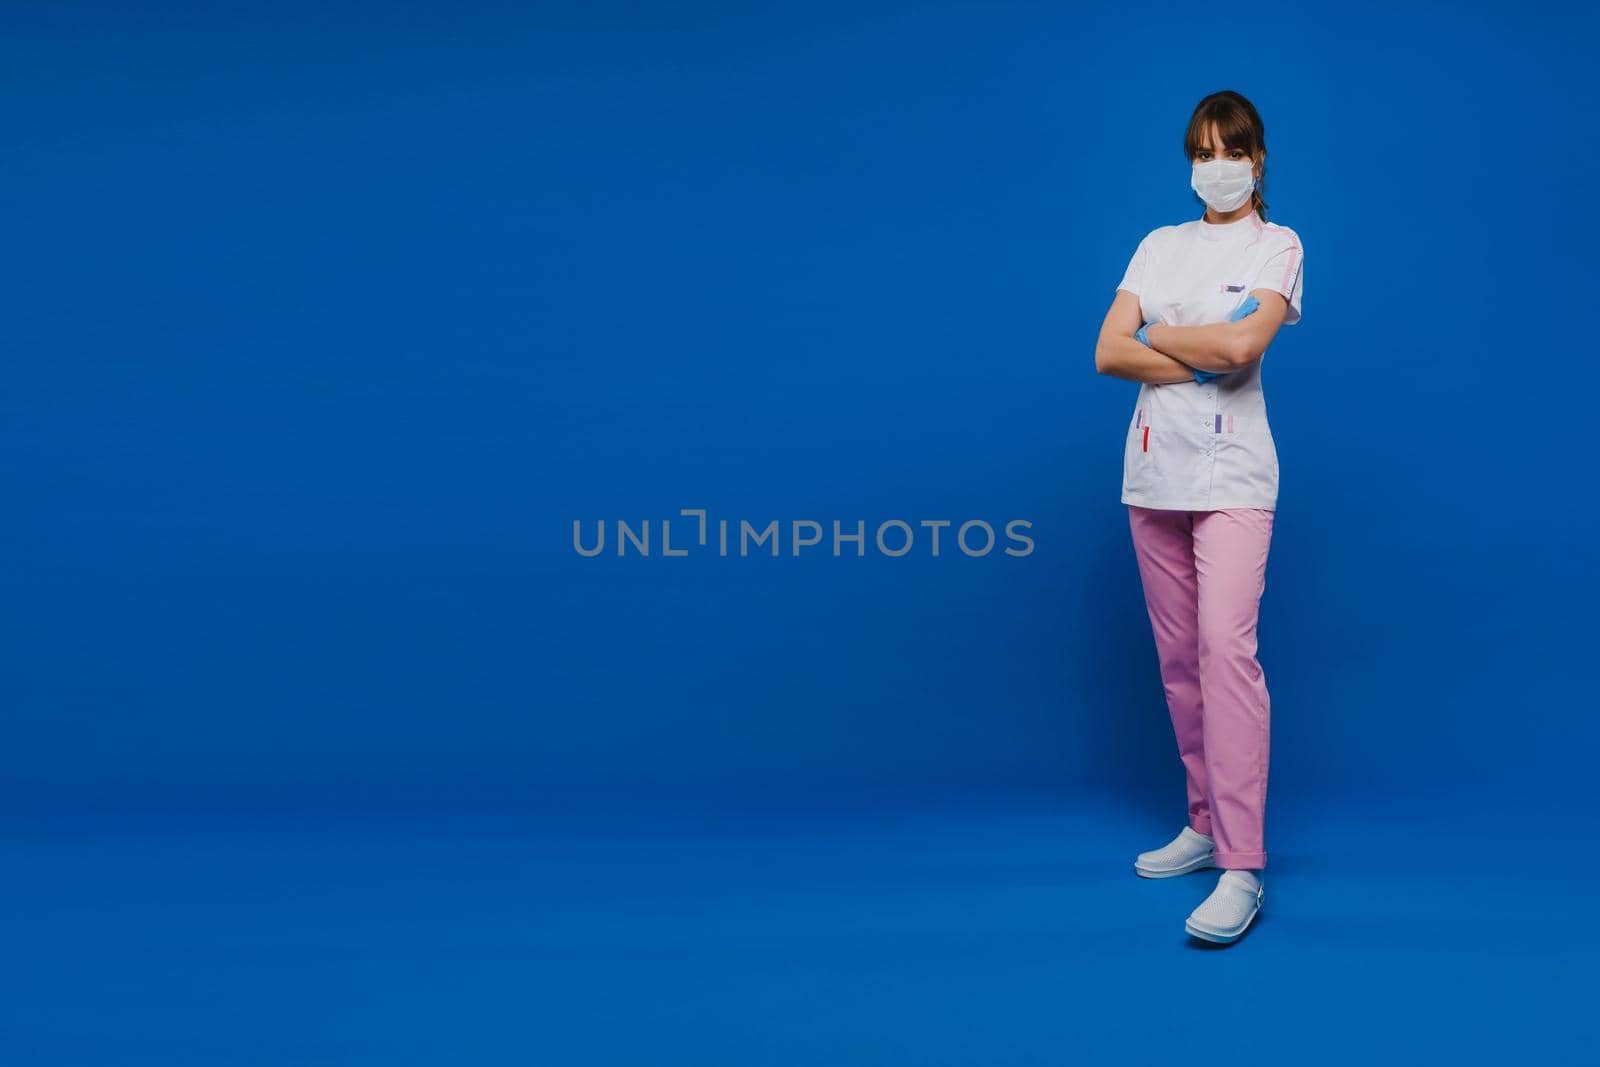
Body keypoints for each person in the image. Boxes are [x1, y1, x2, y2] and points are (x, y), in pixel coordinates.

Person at [1093, 89, 1304, 944]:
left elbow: (1246, 349)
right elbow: (1109, 350)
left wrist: (1166, 335)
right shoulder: (1159, 243)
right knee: (1180, 661)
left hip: (1233, 477)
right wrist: (1204, 339)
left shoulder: (1277, 245)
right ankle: (1204, 820)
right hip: (1152, 472)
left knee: (1226, 653)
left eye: (1232, 151)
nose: (1216, 166)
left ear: (1256, 160)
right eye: (1202, 151)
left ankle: (1241, 865)